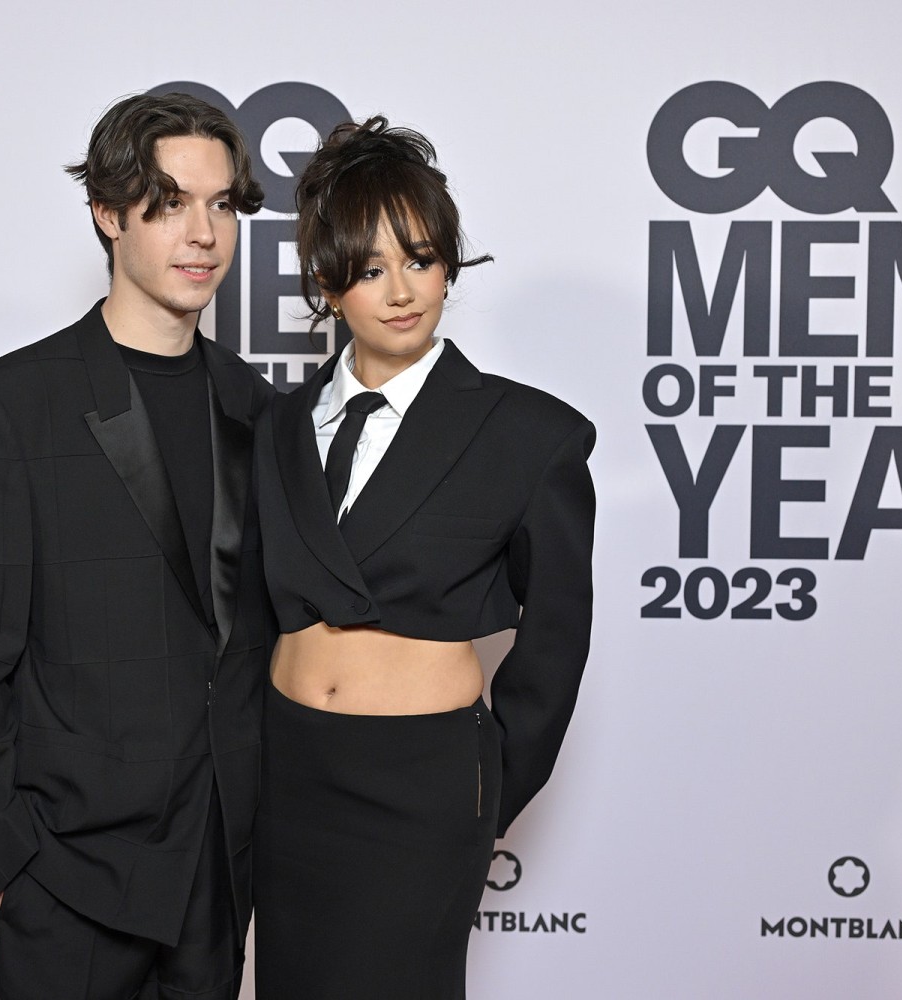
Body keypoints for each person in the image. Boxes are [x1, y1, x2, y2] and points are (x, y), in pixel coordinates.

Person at [0, 91, 274, 1000]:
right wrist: (7, 863)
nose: (203, 234)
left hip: (217, 875)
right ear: (108, 214)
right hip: (69, 880)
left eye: (221, 204)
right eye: (168, 203)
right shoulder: (8, 408)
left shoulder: (262, 411)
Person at [251, 117, 597, 999]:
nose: (402, 291)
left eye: (421, 259)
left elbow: (555, 644)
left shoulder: (528, 435)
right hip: (287, 775)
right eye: (371, 269)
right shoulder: (278, 428)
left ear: (448, 264)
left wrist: (478, 797)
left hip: (423, 790)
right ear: (329, 285)